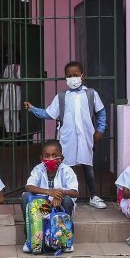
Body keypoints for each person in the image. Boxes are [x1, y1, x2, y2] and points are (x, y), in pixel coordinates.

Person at [24, 61, 107, 209]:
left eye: (75, 75)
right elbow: (49, 113)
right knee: (66, 167)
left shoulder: (91, 94)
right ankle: (65, 196)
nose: (72, 78)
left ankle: (94, 195)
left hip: (85, 137)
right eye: (69, 76)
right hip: (67, 138)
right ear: (66, 78)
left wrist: (100, 129)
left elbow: (101, 112)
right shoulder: (62, 97)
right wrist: (33, 109)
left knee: (88, 166)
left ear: (82, 76)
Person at [21, 140, 80, 253]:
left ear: (61, 158)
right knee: (25, 197)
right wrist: (50, 192)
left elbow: (75, 192)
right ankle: (30, 239)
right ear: (41, 158)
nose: (50, 159)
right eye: (46, 156)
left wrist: (60, 194)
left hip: (59, 208)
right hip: (41, 207)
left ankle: (66, 240)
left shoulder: (67, 171)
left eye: (54, 156)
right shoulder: (38, 169)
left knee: (67, 200)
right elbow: (29, 186)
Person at [0, 53, 22, 135]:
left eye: (11, 55)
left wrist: (10, 80)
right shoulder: (6, 67)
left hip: (15, 93)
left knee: (14, 117)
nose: (9, 57)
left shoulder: (18, 67)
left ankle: (15, 136)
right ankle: (9, 135)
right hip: (6, 94)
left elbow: (20, 80)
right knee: (6, 117)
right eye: (7, 55)